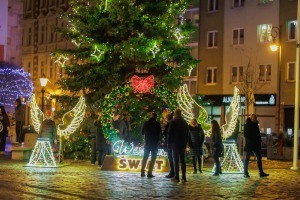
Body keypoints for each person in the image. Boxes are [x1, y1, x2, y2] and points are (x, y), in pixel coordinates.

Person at [167, 109, 189, 182]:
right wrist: (186, 142)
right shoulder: (184, 122)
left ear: (175, 114)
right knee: (183, 160)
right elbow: (187, 134)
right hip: (182, 143)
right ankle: (184, 177)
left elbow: (170, 134)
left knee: (176, 160)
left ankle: (177, 176)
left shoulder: (173, 122)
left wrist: (169, 143)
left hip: (175, 144)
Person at [141, 112, 162, 178]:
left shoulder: (146, 123)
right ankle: (149, 173)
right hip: (154, 144)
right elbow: (160, 133)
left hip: (147, 143)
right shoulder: (157, 124)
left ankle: (142, 171)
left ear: (151, 116)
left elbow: (142, 133)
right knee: (153, 158)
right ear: (156, 117)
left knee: (145, 157)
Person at [163, 113, 175, 178]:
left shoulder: (170, 124)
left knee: (171, 158)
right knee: (173, 158)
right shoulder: (174, 124)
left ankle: (172, 171)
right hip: (173, 143)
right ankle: (173, 171)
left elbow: (166, 133)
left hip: (170, 143)